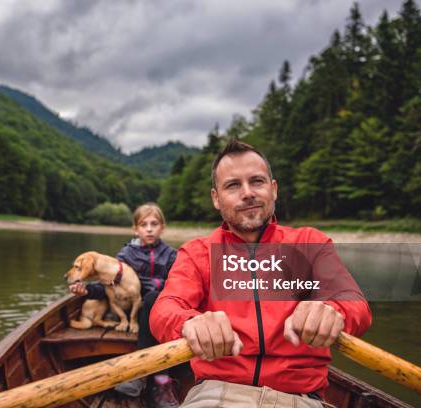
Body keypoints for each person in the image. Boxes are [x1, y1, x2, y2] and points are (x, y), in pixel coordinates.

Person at [149, 140, 372, 407]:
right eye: (233, 185)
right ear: (216, 198)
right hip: (215, 394)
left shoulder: (310, 243)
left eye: (257, 181)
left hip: (299, 399)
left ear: (273, 189)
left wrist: (333, 311)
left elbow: (354, 303)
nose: (247, 193)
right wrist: (188, 322)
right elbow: (164, 308)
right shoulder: (197, 252)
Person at [69, 202, 180, 407]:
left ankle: (147, 377)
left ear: (162, 227)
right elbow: (110, 287)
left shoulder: (173, 255)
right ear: (135, 229)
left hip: (164, 312)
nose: (149, 228)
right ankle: (154, 378)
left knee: (153, 298)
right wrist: (88, 290)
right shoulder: (125, 256)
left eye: (154, 224)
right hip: (136, 313)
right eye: (143, 224)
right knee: (148, 301)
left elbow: (180, 285)